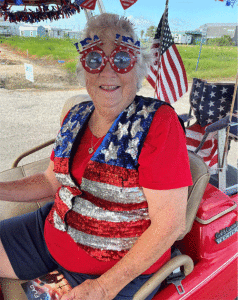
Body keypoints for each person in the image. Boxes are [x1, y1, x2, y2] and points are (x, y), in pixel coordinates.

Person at [0, 13, 192, 300]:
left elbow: (170, 225)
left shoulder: (158, 123)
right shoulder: (77, 114)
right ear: (84, 68)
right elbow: (50, 182)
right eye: (94, 60)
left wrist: (103, 288)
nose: (108, 72)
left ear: (136, 68)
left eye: (122, 60)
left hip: (115, 271)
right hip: (53, 229)